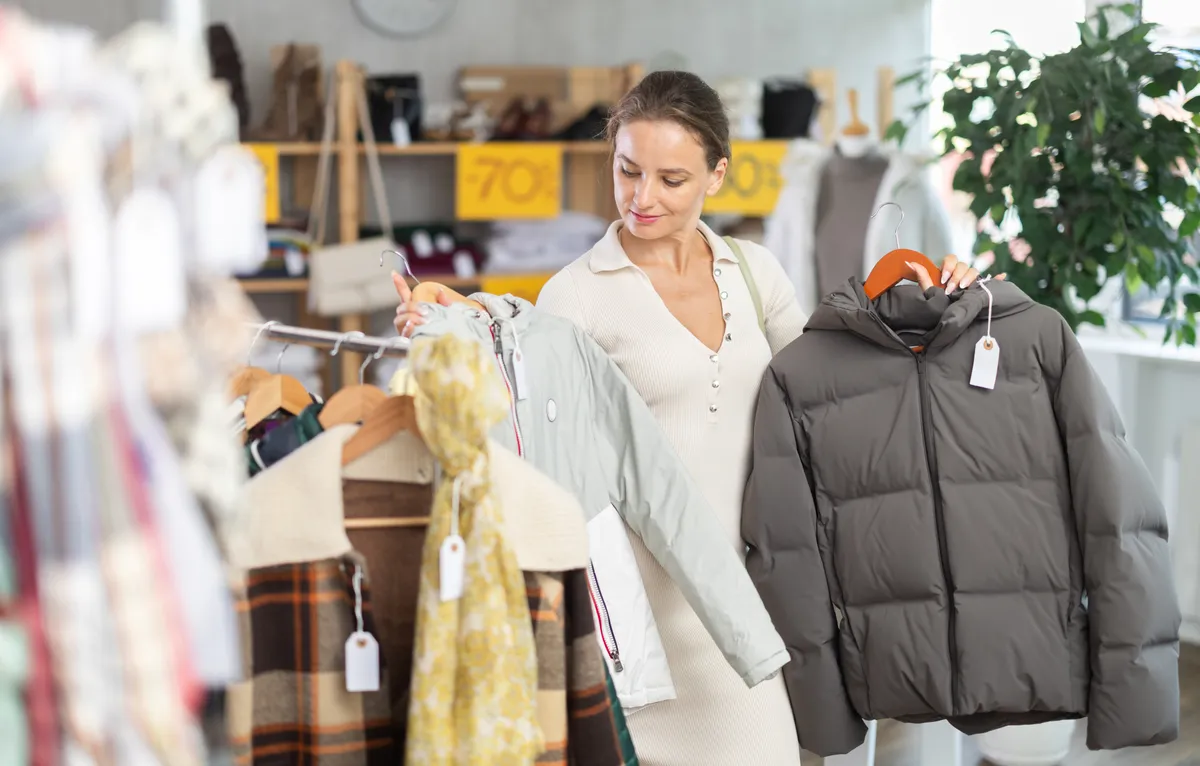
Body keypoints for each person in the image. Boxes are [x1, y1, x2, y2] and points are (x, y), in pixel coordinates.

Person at [394, 71, 994, 764]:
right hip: (647, 614)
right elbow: (537, 429)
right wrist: (459, 319)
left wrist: (928, 301)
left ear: (717, 175)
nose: (642, 198)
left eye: (670, 179)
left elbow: (834, 395)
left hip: (753, 596)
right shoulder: (576, 296)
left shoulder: (752, 271)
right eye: (628, 171)